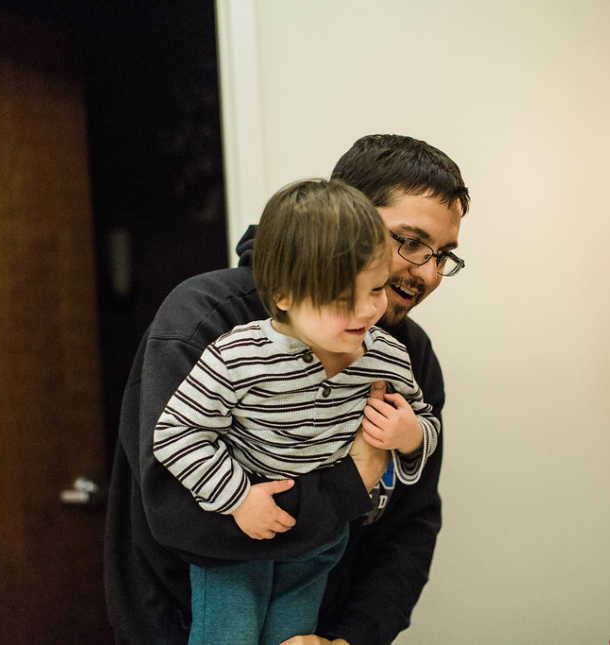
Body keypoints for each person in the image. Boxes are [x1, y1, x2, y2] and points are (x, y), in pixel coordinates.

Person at [104, 133, 470, 645]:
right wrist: (353, 478)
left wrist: (351, 639)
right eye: (409, 242)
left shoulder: (406, 355)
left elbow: (410, 523)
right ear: (346, 219)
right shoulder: (207, 323)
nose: (428, 274)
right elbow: (178, 514)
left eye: (443, 255)